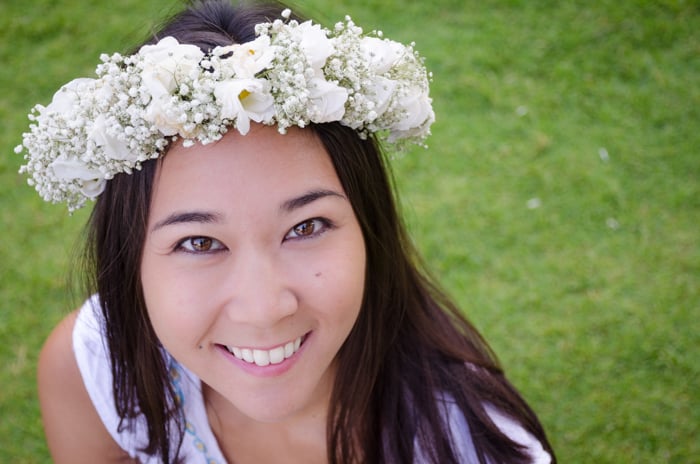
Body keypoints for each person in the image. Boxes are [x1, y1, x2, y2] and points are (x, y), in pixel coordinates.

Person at [17, 0, 556, 462]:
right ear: (129, 255)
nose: (265, 307)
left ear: (370, 226)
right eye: (199, 242)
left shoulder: (472, 446)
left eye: (306, 226)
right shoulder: (94, 370)